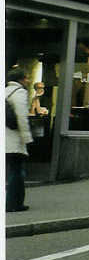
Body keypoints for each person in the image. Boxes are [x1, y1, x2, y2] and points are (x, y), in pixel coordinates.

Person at [6, 66, 33, 212]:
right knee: (17, 172)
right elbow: (22, 117)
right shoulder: (20, 93)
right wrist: (27, 138)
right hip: (14, 140)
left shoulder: (5, 91)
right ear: (21, 79)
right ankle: (13, 204)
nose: (28, 81)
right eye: (27, 78)